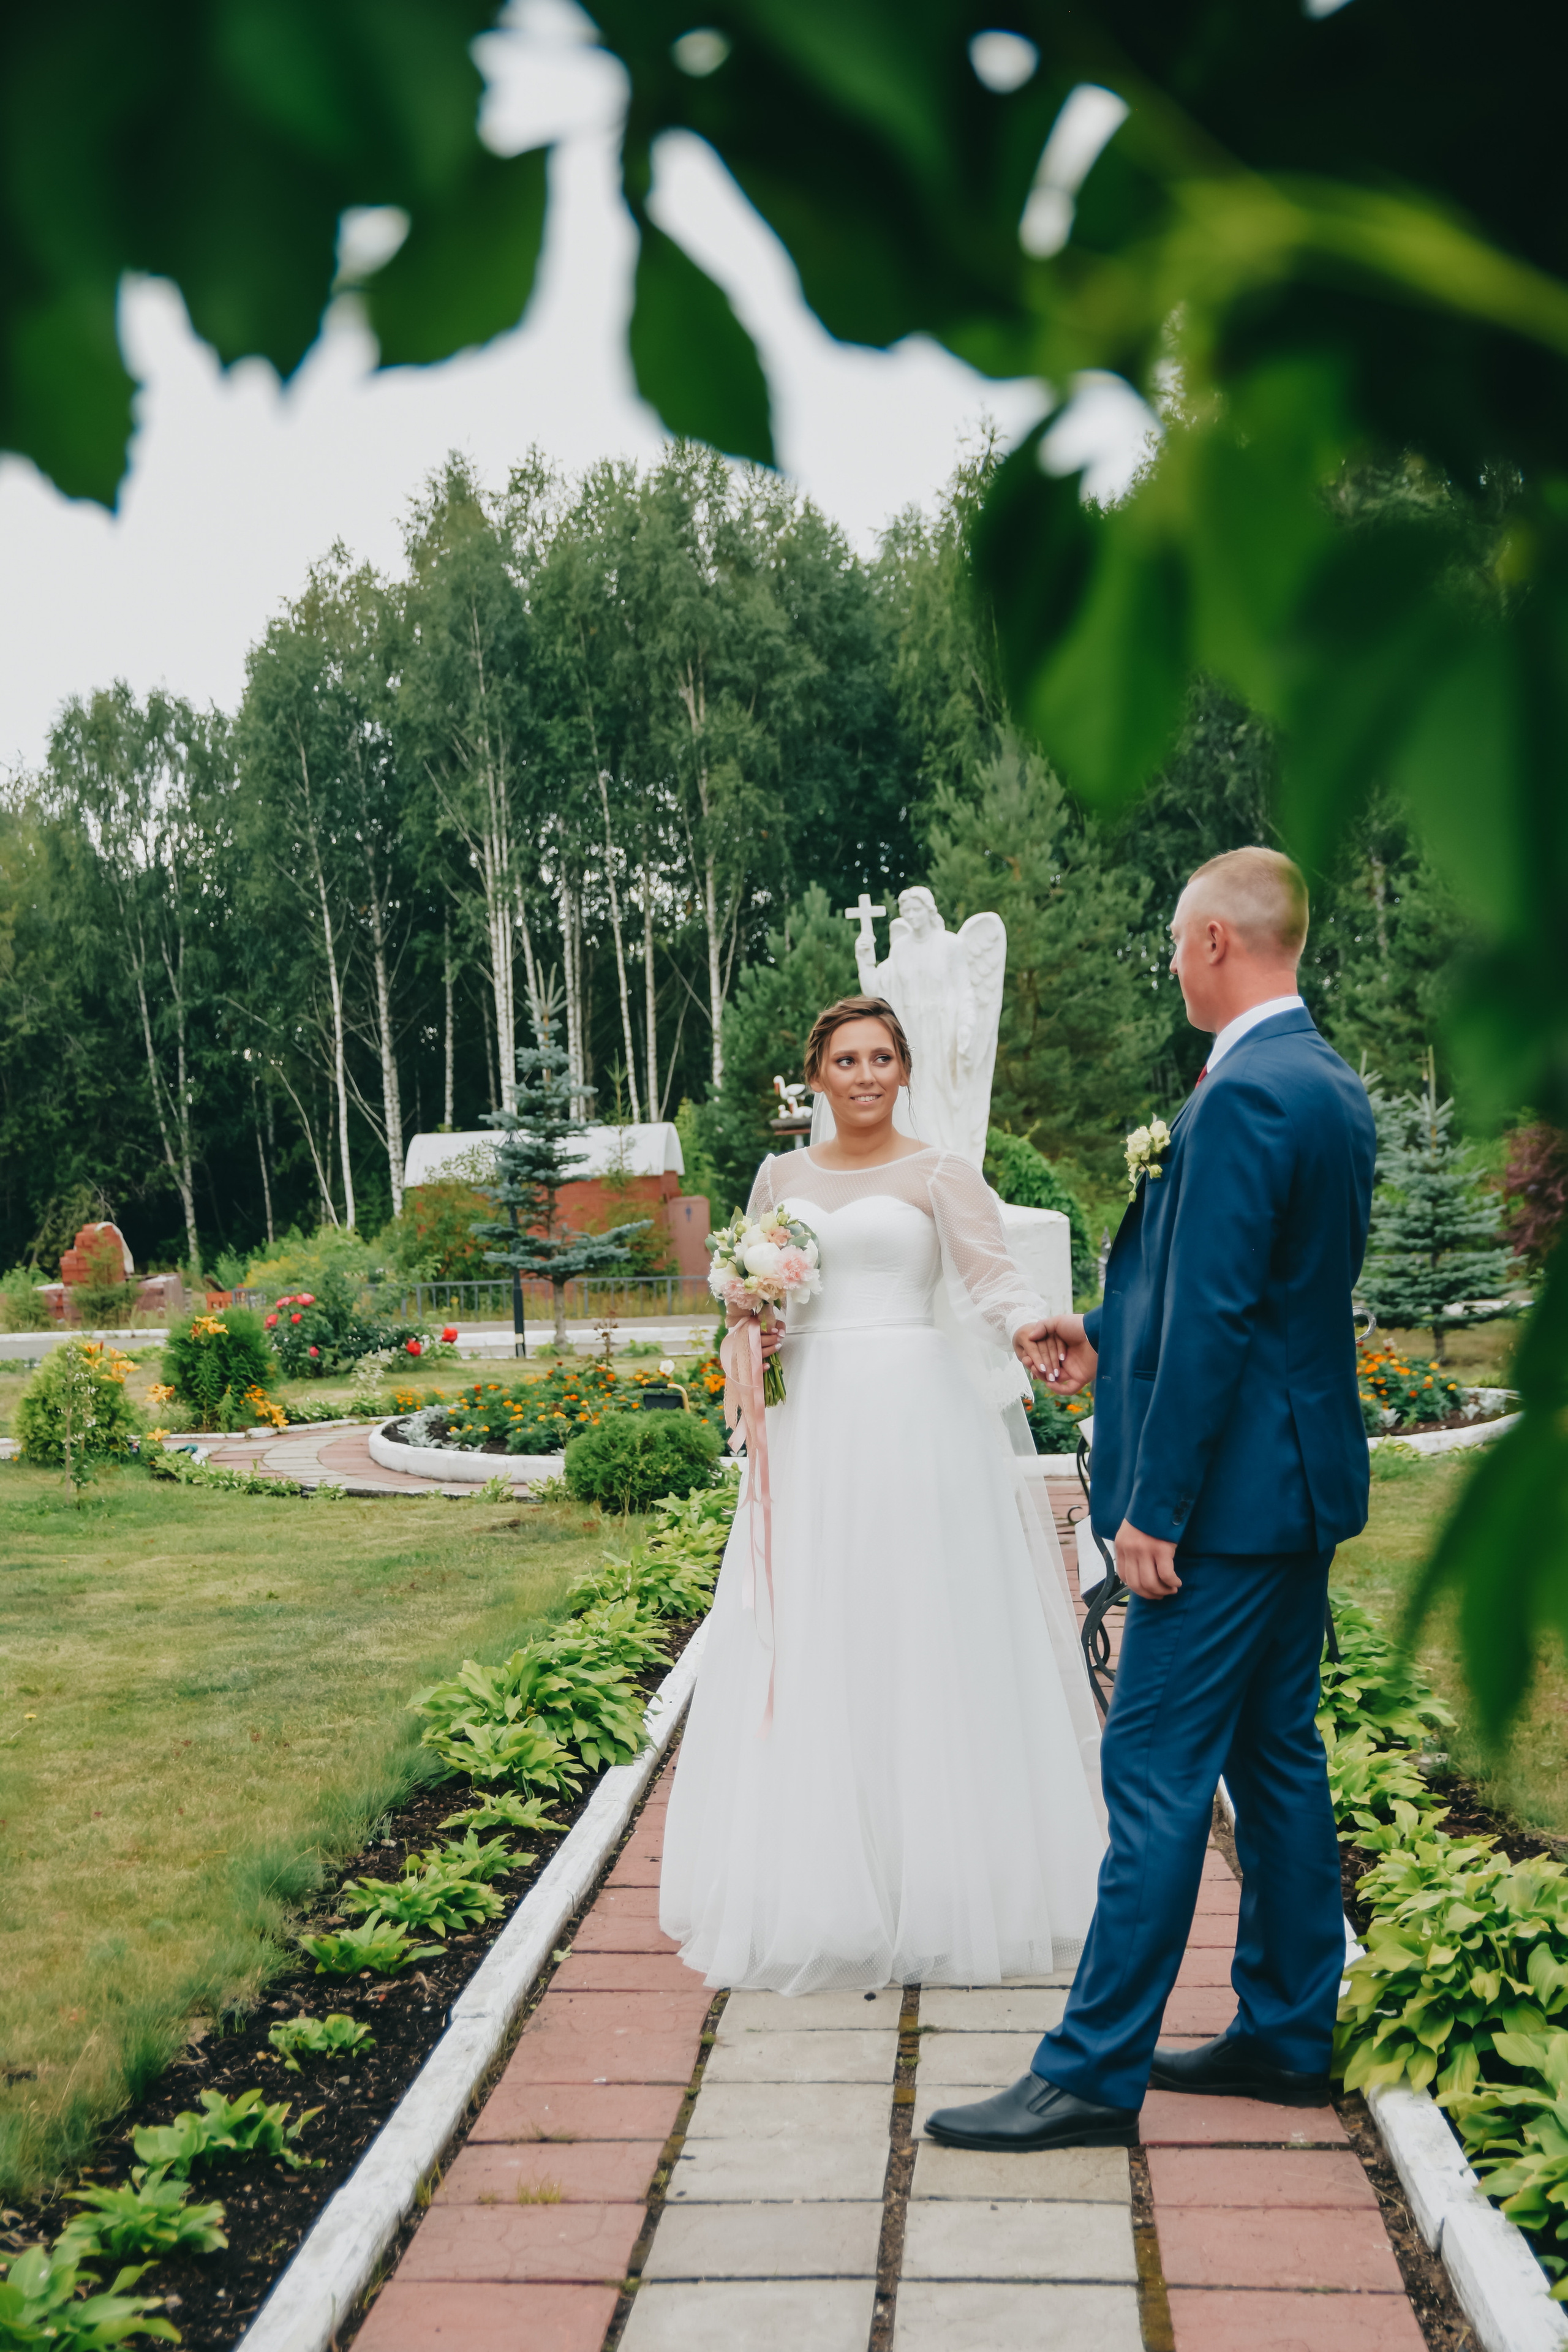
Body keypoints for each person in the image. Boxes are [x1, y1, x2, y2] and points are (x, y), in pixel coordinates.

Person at [927, 845, 1377, 2154]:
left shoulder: (1241, 1098)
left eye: (1178, 943)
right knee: (1275, 1759)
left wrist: (1156, 1507)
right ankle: (1287, 2031)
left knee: (1153, 1770)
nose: (1173, 966)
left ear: (1217, 942)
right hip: (1294, 1493)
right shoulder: (1326, 1084)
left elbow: (1223, 1318)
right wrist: (1100, 1327)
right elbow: (1255, 1293)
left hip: (1220, 1511)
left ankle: (1088, 2071)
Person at [659, 993, 1106, 1993]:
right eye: (846, 1061)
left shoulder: (941, 1171)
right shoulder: (780, 1176)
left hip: (914, 1417)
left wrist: (1032, 1331)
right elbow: (750, 1295)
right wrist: (748, 1313)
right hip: (812, 1424)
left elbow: (991, 1281)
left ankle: (945, 1879)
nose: (864, 1076)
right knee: (819, 1624)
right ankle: (821, 1884)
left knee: (921, 1626)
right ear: (817, 1075)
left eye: (881, 1059)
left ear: (903, 1071)